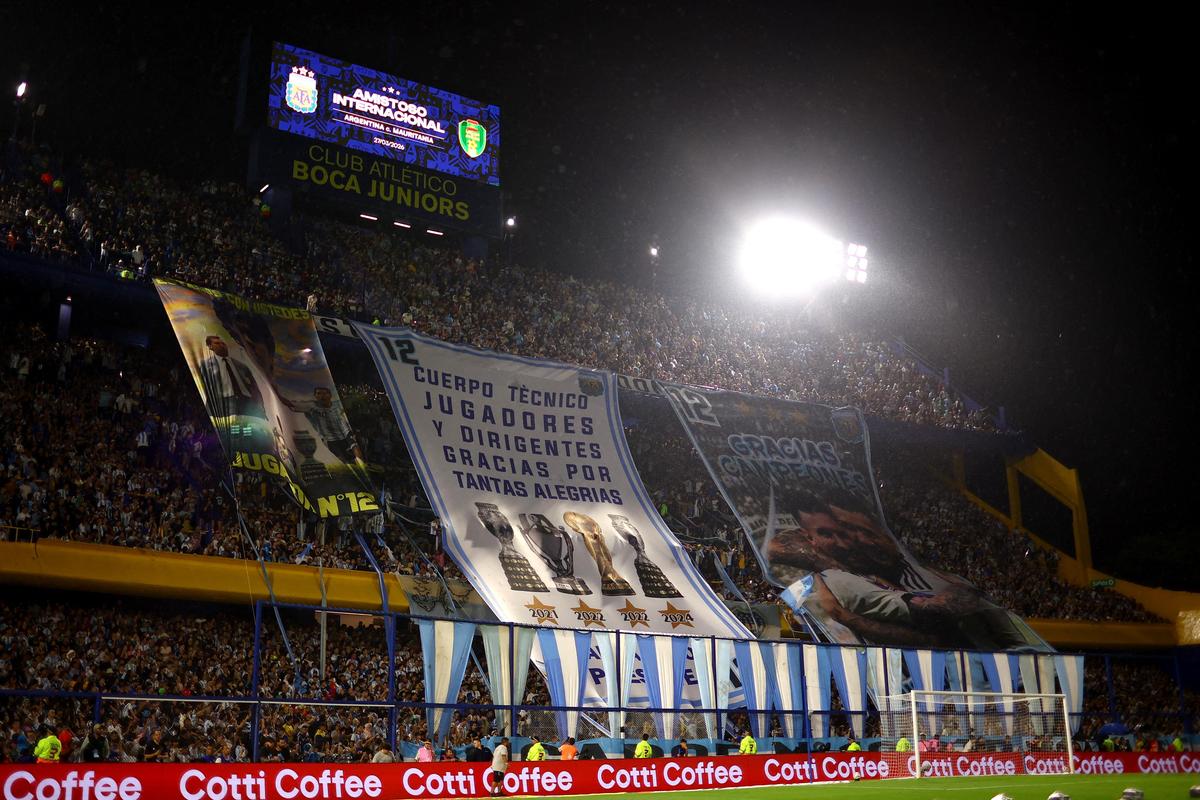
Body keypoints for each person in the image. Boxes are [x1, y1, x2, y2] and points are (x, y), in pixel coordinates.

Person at [197, 334, 266, 421]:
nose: (222, 345)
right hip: (224, 403)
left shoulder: (241, 365)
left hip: (247, 401)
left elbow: (254, 385)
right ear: (210, 347)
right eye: (217, 343)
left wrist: (260, 405)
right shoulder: (205, 366)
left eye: (223, 343)